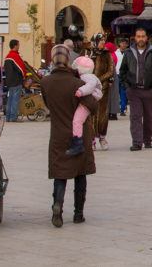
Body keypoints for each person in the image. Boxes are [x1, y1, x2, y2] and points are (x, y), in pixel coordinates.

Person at [40, 45, 96, 227]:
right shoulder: (77, 83)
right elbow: (92, 106)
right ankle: (78, 213)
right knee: (80, 175)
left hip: (58, 134)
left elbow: (48, 103)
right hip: (78, 136)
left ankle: (57, 207)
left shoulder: (46, 82)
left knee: (60, 175)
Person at [118, 28, 152, 151]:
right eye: (138, 36)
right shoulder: (128, 53)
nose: (141, 39)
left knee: (149, 117)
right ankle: (137, 142)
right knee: (135, 117)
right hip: (134, 91)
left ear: (146, 38)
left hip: (149, 90)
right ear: (135, 38)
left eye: (143, 36)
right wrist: (127, 87)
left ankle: (147, 140)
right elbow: (122, 71)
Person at [66, 56, 102, 157]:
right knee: (81, 121)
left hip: (87, 101)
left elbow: (89, 87)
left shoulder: (88, 76)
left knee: (77, 121)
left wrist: (81, 91)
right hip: (88, 101)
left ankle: (77, 142)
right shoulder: (88, 76)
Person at [91, 38, 115, 149]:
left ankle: (102, 137)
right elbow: (82, 67)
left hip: (103, 88)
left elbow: (111, 70)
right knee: (90, 113)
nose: (102, 43)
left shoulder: (107, 54)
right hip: (89, 88)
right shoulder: (89, 53)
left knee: (103, 113)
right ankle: (91, 139)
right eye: (100, 41)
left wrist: (99, 80)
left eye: (103, 42)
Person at [3, 39, 28, 123]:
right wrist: (24, 76)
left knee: (10, 99)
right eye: (18, 44)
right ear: (15, 46)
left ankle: (8, 117)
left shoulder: (7, 57)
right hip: (16, 81)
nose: (19, 46)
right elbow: (21, 68)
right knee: (15, 100)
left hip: (10, 82)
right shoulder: (14, 56)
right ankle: (13, 117)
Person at [115, 37, 129, 116]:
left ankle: (122, 109)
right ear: (119, 44)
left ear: (127, 45)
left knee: (123, 92)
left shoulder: (129, 53)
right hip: (116, 74)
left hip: (125, 75)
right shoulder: (115, 53)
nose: (123, 45)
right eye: (122, 43)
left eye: (125, 43)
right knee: (116, 93)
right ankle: (116, 108)